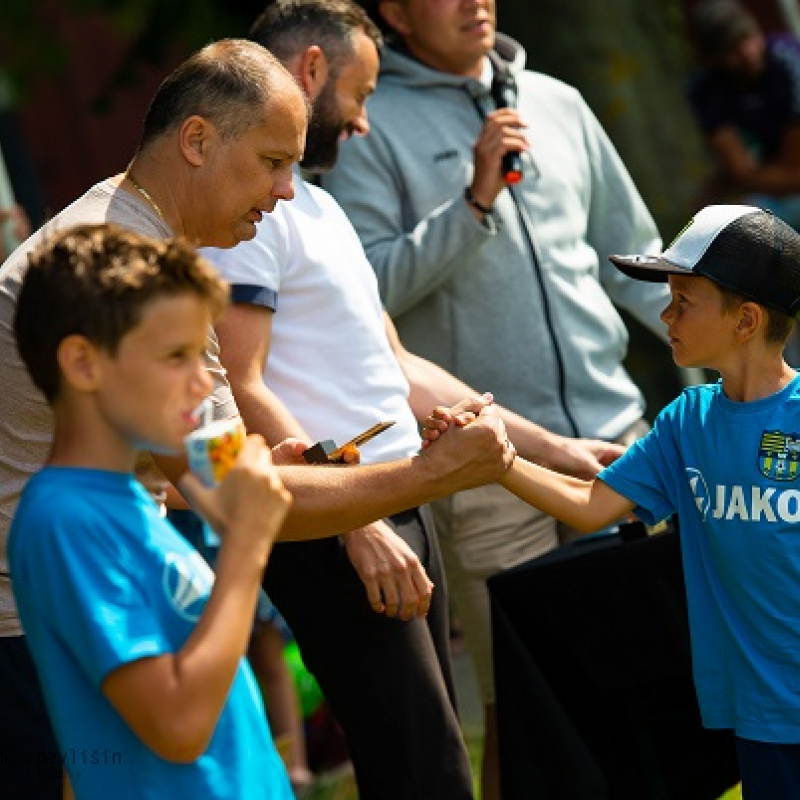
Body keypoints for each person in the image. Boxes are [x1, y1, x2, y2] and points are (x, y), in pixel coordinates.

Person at [0, 37, 514, 798]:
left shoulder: (138, 246)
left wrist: (270, 466)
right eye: (274, 162)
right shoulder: (123, 265)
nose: (283, 193)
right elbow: (228, 491)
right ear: (198, 139)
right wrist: (425, 474)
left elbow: (208, 469)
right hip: (43, 641)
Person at [205, 3, 622, 798]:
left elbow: (397, 365)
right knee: (421, 766)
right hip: (345, 516)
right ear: (313, 72)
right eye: (362, 93)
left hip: (403, 499)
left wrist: (555, 450)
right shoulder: (251, 210)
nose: (364, 123)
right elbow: (239, 378)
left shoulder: (316, 206)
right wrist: (355, 524)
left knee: (435, 760)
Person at [320, 1, 673, 794]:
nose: (475, 0)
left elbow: (633, 257)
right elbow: (365, 295)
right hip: (488, 465)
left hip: (619, 440)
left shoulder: (558, 101)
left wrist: (758, 361)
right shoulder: (367, 128)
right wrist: (473, 203)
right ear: (398, 15)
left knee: (655, 677)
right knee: (522, 704)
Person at [429, 203, 800, 800]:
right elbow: (588, 503)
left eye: (684, 300)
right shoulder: (688, 422)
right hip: (757, 713)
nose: (665, 314)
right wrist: (497, 461)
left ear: (747, 319)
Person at [9, 223, 294, 799]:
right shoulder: (64, 520)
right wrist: (246, 547)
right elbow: (178, 727)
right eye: (175, 356)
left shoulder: (129, 499)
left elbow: (210, 460)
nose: (199, 384)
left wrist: (251, 487)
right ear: (83, 364)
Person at [686, 0, 800, 227]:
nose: (747, 53)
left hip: (781, 181)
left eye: (748, 38)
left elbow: (793, 172)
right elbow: (739, 169)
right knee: (715, 226)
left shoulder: (787, 59)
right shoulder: (705, 88)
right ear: (711, 60)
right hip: (776, 185)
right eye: (732, 48)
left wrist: (742, 179)